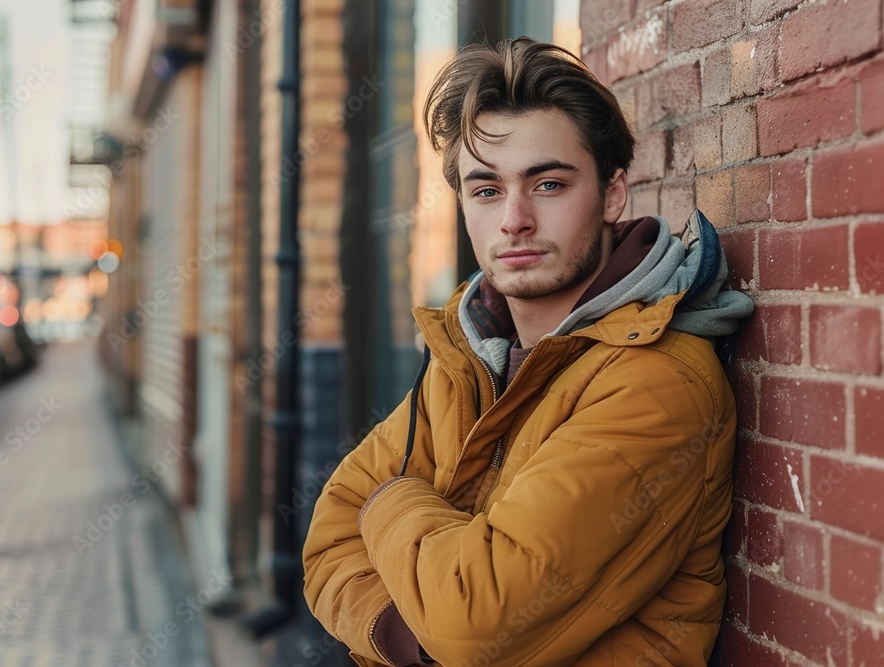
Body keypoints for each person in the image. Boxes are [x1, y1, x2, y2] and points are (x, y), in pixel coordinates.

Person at [302, 37, 753, 667]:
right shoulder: (469, 356)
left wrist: (389, 500)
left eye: (547, 184)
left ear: (612, 194)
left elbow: (472, 623)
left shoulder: (655, 381)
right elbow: (325, 542)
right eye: (485, 190)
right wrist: (415, 639)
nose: (514, 219)